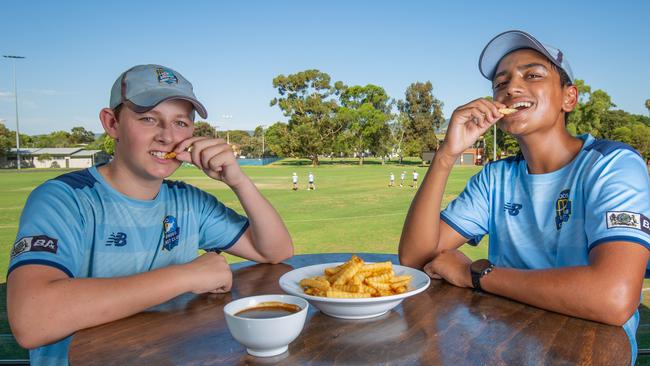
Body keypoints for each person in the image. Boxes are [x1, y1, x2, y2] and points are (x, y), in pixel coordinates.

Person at [6, 64, 294, 365]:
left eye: (181, 123)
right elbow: (32, 320)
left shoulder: (188, 201)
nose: (167, 136)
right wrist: (186, 276)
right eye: (148, 119)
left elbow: (275, 251)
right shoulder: (65, 200)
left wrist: (238, 181)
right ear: (112, 123)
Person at [398, 30, 649, 364]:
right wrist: (446, 154)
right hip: (507, 344)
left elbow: (613, 297)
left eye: (532, 75)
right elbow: (415, 258)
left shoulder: (613, 165)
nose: (511, 88)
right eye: (501, 83)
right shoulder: (495, 178)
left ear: (568, 98)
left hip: (589, 350)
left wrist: (476, 274)